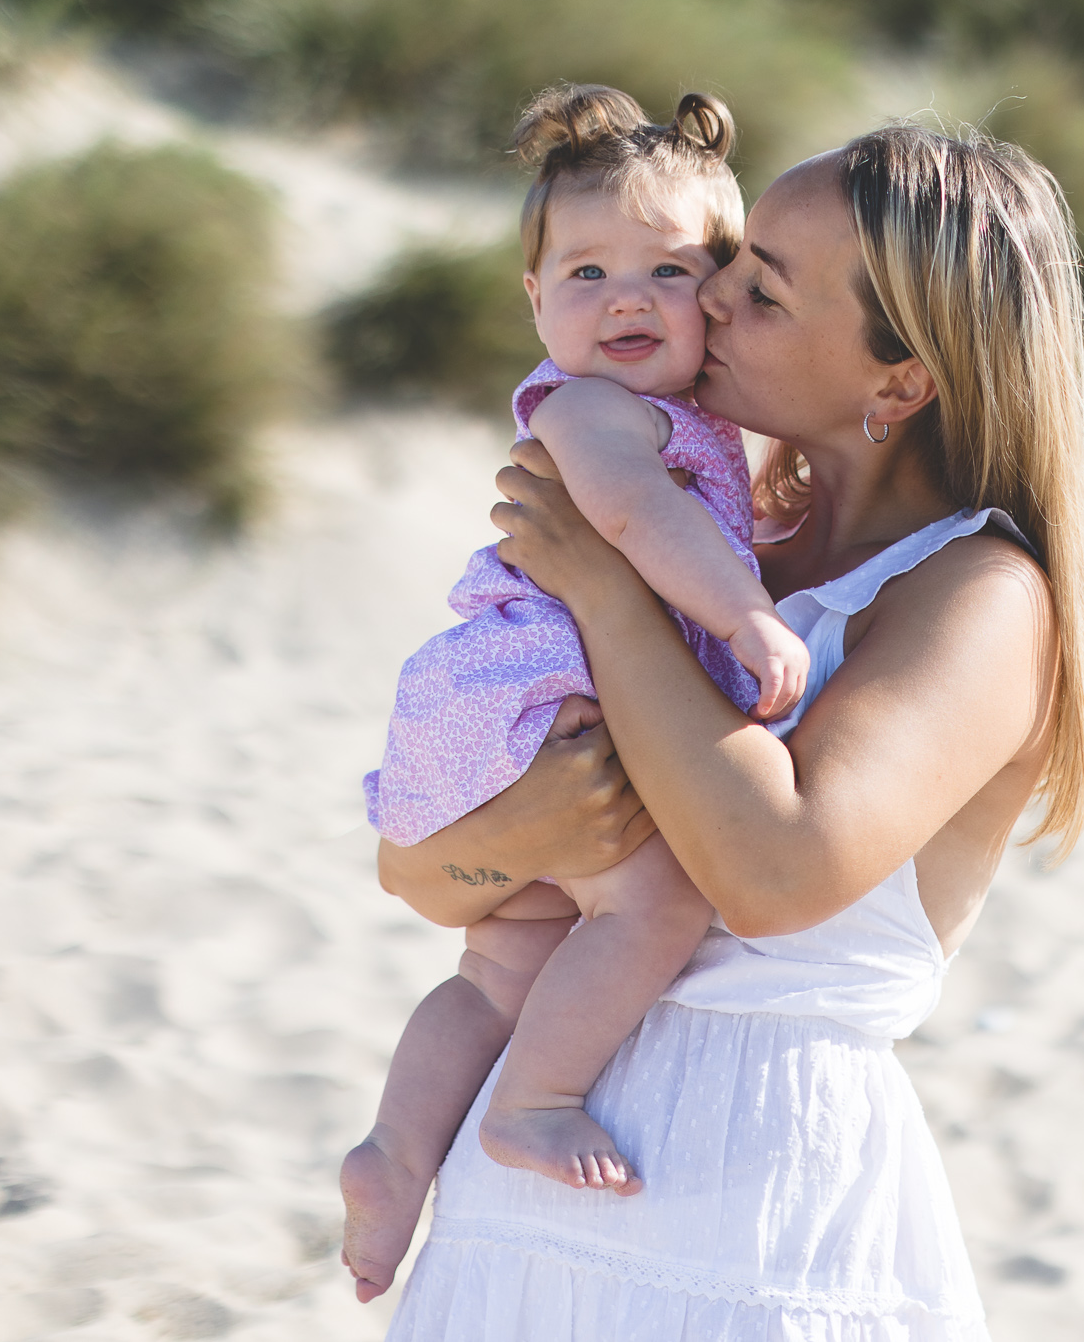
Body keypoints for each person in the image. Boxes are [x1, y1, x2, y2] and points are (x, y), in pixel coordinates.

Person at [375, 119, 1084, 1337]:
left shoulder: (980, 598)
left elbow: (773, 872)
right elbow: (420, 874)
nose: (705, 296)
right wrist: (511, 829)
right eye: (728, 259)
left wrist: (610, 586)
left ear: (902, 380)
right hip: (521, 1201)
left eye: (760, 289)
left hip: (756, 1212)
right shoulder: (707, 539)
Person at [339, 84, 810, 1303]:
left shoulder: (674, 414)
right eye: (586, 274)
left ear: (717, 293)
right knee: (648, 911)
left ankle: (393, 1159)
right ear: (534, 299)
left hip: (508, 698)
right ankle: (534, 1104)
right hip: (538, 697)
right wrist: (741, 612)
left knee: (500, 964)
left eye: (667, 272)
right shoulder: (596, 410)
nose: (625, 300)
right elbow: (631, 520)